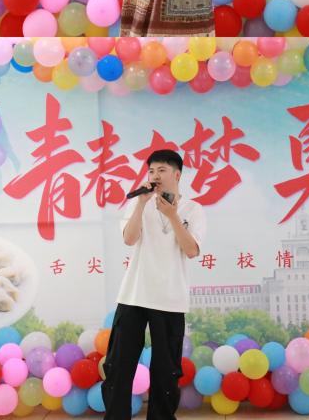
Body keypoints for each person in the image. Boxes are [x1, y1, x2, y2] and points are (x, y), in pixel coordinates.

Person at [102, 150, 206, 420]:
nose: (154, 176)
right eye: (151, 171)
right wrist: (141, 204)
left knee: (165, 371)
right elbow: (129, 238)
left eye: (161, 170)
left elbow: (191, 250)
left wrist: (172, 215)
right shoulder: (140, 203)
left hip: (170, 299)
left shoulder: (193, 209)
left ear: (177, 175)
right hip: (134, 295)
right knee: (118, 365)